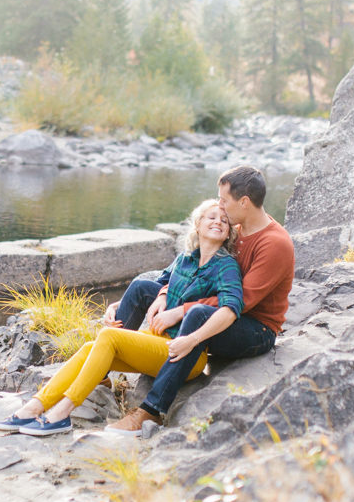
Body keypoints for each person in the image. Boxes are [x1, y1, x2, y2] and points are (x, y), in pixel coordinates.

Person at [0, 199, 244, 436]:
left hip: (185, 354)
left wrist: (193, 338)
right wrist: (124, 304)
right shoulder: (186, 259)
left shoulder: (226, 265)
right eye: (211, 217)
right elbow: (159, 283)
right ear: (197, 224)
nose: (218, 222)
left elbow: (231, 306)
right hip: (156, 342)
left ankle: (62, 413)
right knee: (91, 347)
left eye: (224, 220)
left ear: (229, 232)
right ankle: (34, 407)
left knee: (108, 336)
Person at [104, 165, 295, 435]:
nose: (219, 206)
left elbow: (241, 304)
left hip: (254, 327)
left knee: (196, 315)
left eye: (223, 200)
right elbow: (179, 270)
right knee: (139, 288)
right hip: (219, 310)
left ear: (244, 202)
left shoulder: (275, 243)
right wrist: (160, 295)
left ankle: (151, 411)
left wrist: (181, 310)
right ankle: (103, 374)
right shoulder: (232, 229)